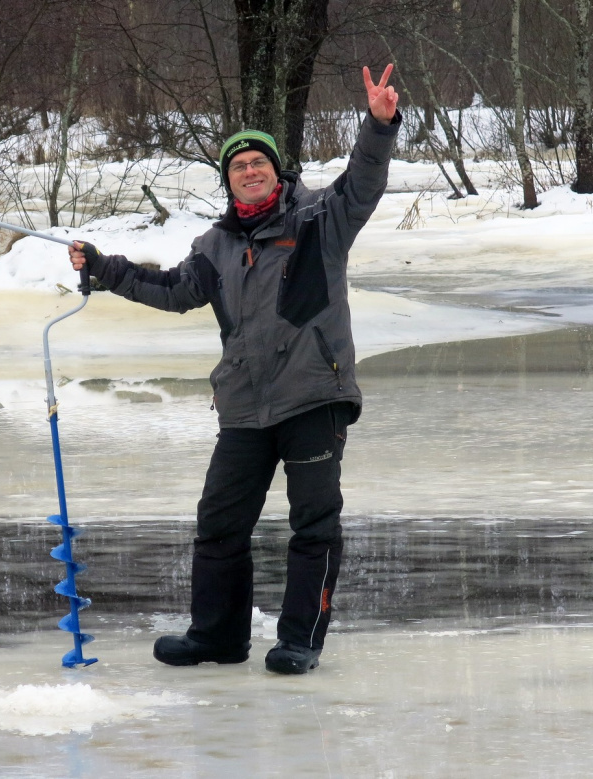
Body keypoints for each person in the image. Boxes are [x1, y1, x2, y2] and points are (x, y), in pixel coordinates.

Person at [69, 64, 400, 674]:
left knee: (314, 523)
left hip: (312, 396)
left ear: (277, 170)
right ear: (229, 181)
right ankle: (218, 637)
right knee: (219, 525)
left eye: (259, 163)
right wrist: (104, 267)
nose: (250, 172)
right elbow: (170, 290)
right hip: (245, 405)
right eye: (239, 167)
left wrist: (377, 125)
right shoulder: (216, 246)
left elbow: (362, 183)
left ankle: (300, 640)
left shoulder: (319, 220)